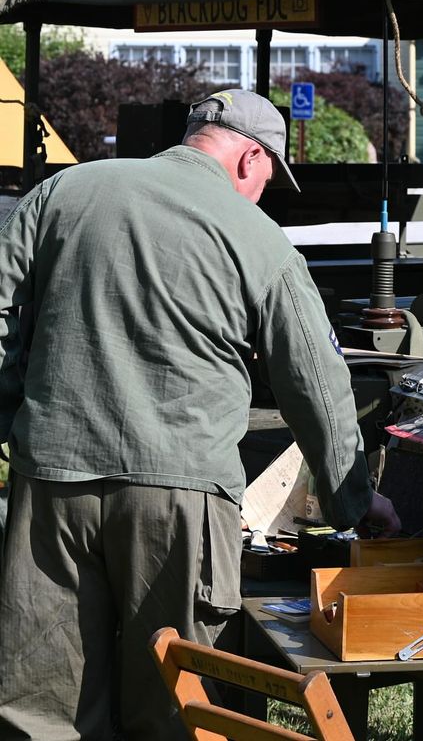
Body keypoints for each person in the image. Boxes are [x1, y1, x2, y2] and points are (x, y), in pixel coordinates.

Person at [0, 89, 400, 741]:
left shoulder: (63, 192)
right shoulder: (257, 238)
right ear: (248, 159)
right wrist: (355, 499)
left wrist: (16, 428)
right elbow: (317, 386)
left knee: (41, 712)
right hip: (179, 498)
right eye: (269, 179)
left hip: (52, 482)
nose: (265, 194)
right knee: (173, 704)